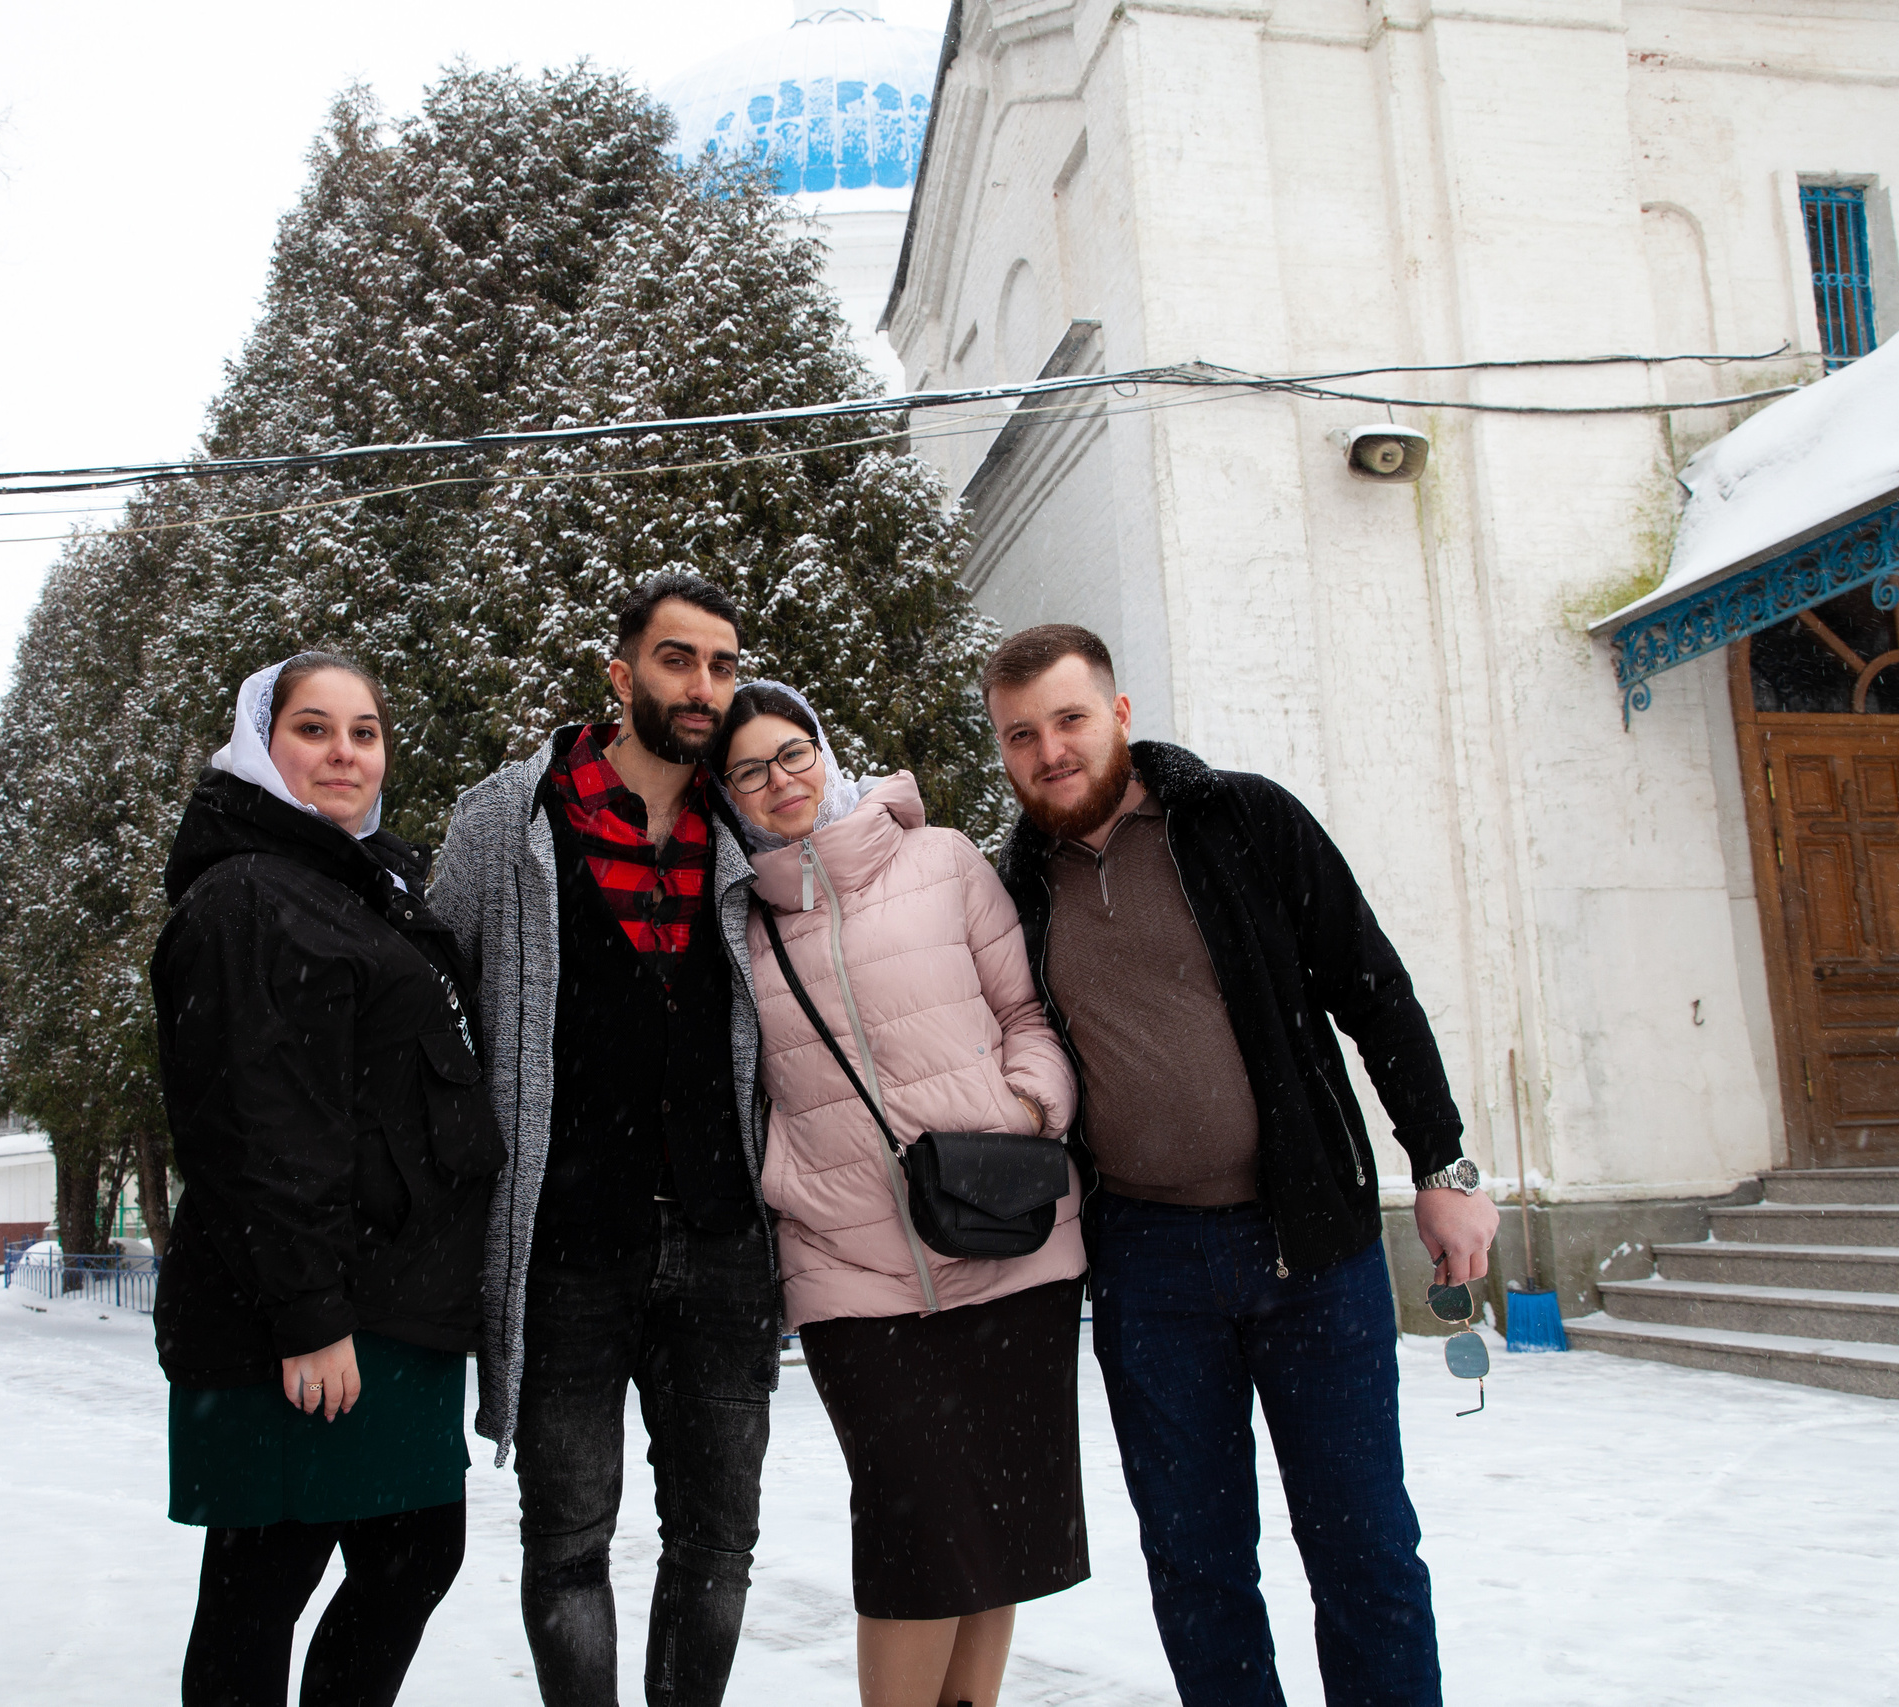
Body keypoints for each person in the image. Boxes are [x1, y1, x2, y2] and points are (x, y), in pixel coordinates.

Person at [982, 624, 1498, 1707]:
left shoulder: (1241, 819)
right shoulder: (1012, 888)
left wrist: (1441, 1167)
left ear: (1119, 716)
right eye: (1020, 735)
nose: (1049, 751)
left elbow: (1373, 989)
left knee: (1362, 1550)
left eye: (1069, 720)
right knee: (1195, 1563)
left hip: (1309, 1244)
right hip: (1146, 1264)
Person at [429, 573, 779, 1707]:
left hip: (723, 1244)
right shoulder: (505, 821)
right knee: (570, 1541)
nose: (704, 687)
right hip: (569, 1245)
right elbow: (436, 1013)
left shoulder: (746, 828)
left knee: (718, 1543)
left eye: (723, 666)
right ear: (620, 673)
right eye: (680, 661)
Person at [717, 682, 1087, 1707]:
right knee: (914, 1530)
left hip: (1007, 1237)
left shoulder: (943, 861)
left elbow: (1026, 1011)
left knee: (1001, 1530)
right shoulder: (736, 918)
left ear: (826, 751)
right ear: (728, 794)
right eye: (748, 770)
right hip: (847, 1270)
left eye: (791, 753)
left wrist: (1026, 1106)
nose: (778, 780)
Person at [150, 650, 505, 1707]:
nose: (343, 752)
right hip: (311, 1316)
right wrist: (307, 1313)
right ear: (262, 744)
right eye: (313, 728)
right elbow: (251, 1122)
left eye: (363, 732)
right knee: (266, 1579)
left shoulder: (353, 884)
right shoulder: (249, 894)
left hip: (387, 1301)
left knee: (397, 1560)